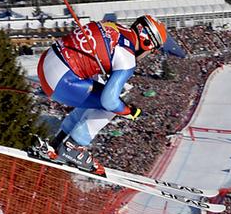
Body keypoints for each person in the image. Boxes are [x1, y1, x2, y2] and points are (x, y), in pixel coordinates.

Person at [28, 15, 182, 176]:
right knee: (112, 106)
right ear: (146, 42)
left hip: (47, 62)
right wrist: (128, 112)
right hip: (60, 80)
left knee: (94, 94)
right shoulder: (127, 58)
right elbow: (109, 100)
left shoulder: (115, 26)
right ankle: (73, 147)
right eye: (152, 49)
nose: (149, 53)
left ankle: (58, 142)